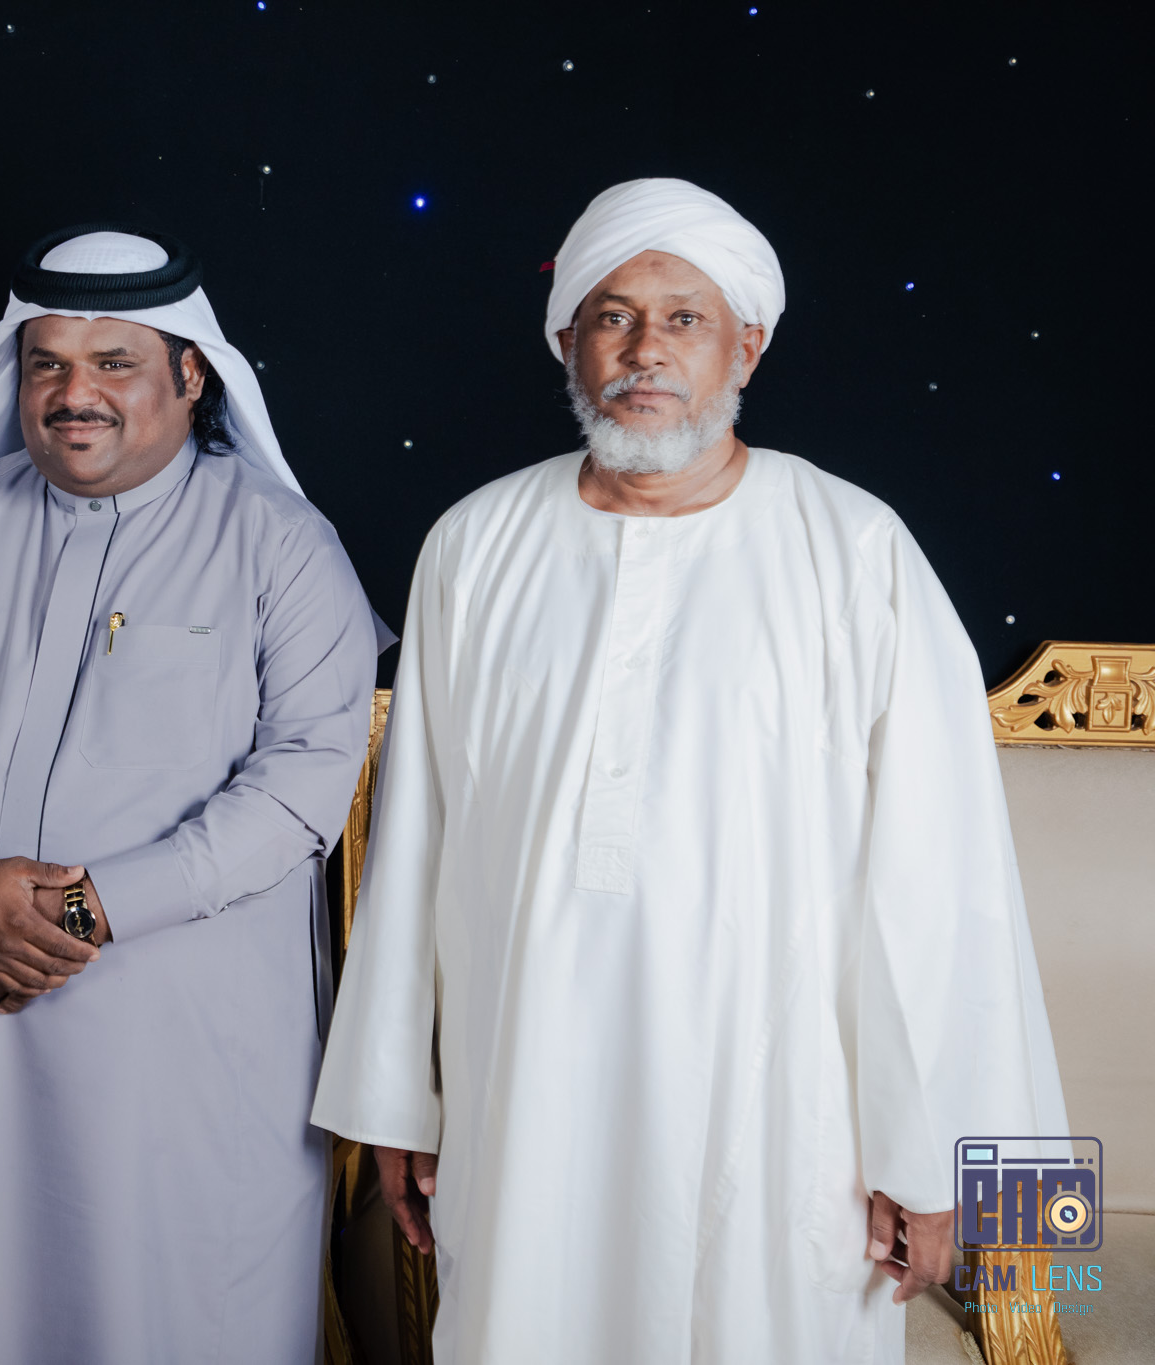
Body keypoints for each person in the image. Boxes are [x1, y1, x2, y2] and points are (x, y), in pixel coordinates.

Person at [310, 178, 1068, 1364]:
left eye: (681, 319)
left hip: (785, 1121)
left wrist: (936, 1161)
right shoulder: (474, 544)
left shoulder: (852, 547)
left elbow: (943, 875)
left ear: (744, 348)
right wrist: (398, 1101)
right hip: (527, 1098)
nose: (643, 351)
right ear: (566, 341)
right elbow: (412, 850)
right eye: (610, 318)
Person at [0, 226, 381, 1364]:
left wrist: (82, 911)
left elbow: (304, 782)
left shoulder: (281, 543)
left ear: (191, 374)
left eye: (114, 362)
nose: (76, 395)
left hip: (180, 1044)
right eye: (48, 365)